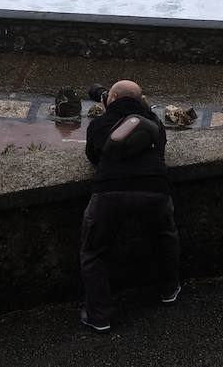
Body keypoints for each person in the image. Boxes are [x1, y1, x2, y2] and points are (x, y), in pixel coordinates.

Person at [79, 79, 180, 333]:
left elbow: (93, 156)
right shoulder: (155, 123)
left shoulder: (99, 124)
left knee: (94, 252)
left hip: (110, 193)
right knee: (165, 238)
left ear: (110, 98)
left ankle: (99, 316)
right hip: (155, 190)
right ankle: (169, 291)